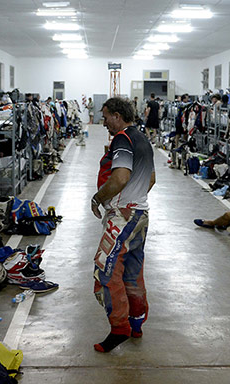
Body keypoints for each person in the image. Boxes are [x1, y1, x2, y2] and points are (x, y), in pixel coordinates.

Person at [91, 97, 156, 353]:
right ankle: (136, 322)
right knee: (132, 272)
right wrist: (136, 198)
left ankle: (119, 329)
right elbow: (151, 178)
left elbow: (119, 178)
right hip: (140, 215)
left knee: (105, 272)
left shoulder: (123, 139)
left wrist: (99, 199)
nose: (103, 122)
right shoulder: (143, 139)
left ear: (117, 115)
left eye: (106, 116)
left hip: (124, 217)